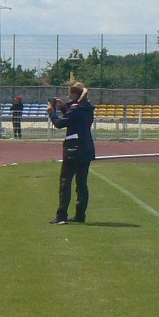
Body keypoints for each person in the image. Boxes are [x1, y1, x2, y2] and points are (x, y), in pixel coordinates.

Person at [48, 81, 96, 224]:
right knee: (82, 183)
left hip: (73, 149)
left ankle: (62, 215)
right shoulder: (87, 107)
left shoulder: (76, 109)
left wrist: (52, 113)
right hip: (86, 148)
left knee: (65, 182)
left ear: (75, 94)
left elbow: (60, 124)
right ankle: (80, 214)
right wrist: (64, 108)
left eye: (70, 94)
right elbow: (74, 120)